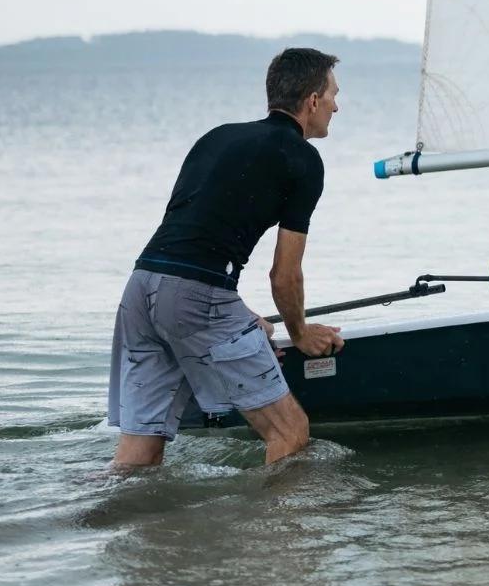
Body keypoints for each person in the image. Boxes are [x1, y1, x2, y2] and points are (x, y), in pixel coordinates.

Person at [107, 47, 347, 469]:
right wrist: (301, 332)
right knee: (290, 432)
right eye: (332, 95)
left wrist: (242, 316)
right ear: (312, 101)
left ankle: (91, 506)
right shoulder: (303, 159)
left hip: (141, 288)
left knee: (138, 453)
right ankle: (271, 516)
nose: (336, 106)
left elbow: (189, 239)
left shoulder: (216, 137)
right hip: (195, 297)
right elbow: (284, 275)